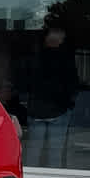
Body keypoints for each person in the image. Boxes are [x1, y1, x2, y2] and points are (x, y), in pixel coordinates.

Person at [19, 24, 80, 168]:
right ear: (61, 41)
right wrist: (69, 104)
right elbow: (73, 84)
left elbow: (25, 82)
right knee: (55, 154)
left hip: (36, 110)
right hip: (59, 110)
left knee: (32, 153)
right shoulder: (66, 59)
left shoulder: (35, 58)